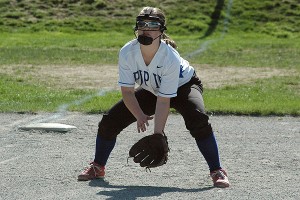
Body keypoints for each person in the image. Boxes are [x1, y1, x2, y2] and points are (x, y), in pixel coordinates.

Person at [78, 6, 230, 188]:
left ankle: (217, 170)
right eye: (142, 24)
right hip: (152, 90)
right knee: (109, 122)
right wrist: (139, 115)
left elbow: (164, 100)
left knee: (198, 119)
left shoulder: (169, 57)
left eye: (152, 25)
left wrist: (158, 134)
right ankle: (97, 167)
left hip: (184, 86)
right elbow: (127, 92)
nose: (146, 29)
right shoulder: (127, 52)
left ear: (162, 30)